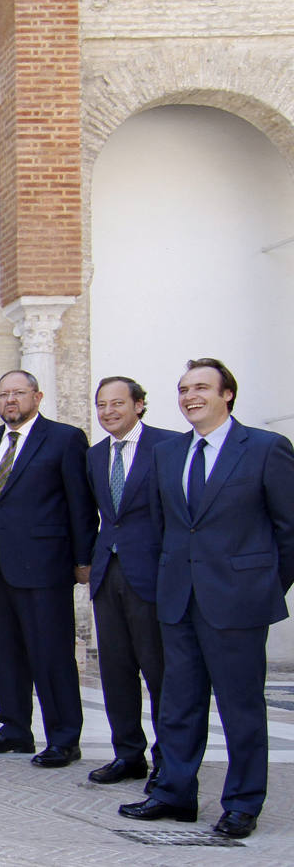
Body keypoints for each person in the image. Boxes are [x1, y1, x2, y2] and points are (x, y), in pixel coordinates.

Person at [119, 359, 294, 840]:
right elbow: (162, 527)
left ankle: (242, 803)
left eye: (201, 387)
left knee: (240, 708)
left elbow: (289, 530)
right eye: (182, 389)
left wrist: (263, 588)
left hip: (238, 602)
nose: (190, 396)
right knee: (179, 703)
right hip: (178, 599)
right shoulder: (169, 453)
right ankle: (174, 793)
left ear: (227, 395)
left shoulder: (264, 448)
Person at [0, 370, 96, 768]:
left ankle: (63, 736)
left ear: (37, 397)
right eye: (3, 394)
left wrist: (83, 560)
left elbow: (80, 503)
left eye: (18, 394)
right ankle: (14, 729)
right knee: (5, 654)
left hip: (44, 568)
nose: (11, 401)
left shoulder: (64, 439)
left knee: (51, 655)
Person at [85, 377, 178, 789]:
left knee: (159, 671)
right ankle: (128, 754)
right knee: (116, 670)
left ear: (139, 404)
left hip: (153, 574)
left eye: (117, 403)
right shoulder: (94, 456)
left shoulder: (169, 446)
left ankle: (168, 757)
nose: (108, 411)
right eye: (102, 405)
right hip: (109, 573)